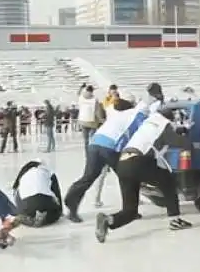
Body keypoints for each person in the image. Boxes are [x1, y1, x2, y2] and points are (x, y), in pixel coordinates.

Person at [64, 83, 165, 222]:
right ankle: (130, 211)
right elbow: (147, 111)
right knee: (128, 177)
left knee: (89, 176)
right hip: (110, 146)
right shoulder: (138, 115)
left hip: (95, 143)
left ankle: (72, 204)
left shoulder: (119, 115)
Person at [95, 107, 195, 243]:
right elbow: (178, 142)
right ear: (169, 119)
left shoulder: (147, 124)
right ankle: (175, 220)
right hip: (138, 161)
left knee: (130, 210)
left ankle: (108, 220)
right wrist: (189, 139)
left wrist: (180, 130)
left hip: (123, 163)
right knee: (168, 182)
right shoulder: (163, 124)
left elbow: (162, 136)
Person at [11, 159, 63, 227]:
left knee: (24, 210)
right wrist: (59, 210)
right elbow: (57, 192)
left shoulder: (24, 174)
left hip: (26, 203)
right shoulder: (49, 172)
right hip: (45, 201)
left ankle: (27, 216)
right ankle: (44, 219)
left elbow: (15, 192)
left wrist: (19, 209)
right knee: (56, 213)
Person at [77, 85, 105, 149]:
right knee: (92, 139)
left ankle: (87, 155)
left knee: (86, 140)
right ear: (92, 91)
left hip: (83, 122)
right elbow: (98, 111)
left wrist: (81, 87)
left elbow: (78, 93)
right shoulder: (95, 99)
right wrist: (101, 120)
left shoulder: (81, 97)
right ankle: (92, 153)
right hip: (92, 123)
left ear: (86, 90)